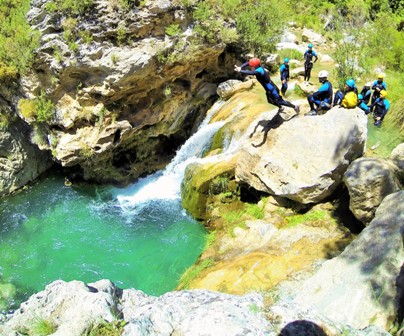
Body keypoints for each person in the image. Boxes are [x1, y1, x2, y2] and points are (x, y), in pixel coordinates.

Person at [234, 57, 299, 113]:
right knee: (270, 101)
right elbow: (248, 63)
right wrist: (240, 67)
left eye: (251, 66)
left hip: (272, 89)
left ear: (255, 66)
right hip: (268, 89)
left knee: (281, 101)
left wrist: (241, 71)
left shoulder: (259, 71)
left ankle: (295, 106)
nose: (250, 67)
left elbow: (252, 72)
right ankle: (281, 108)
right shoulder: (258, 66)